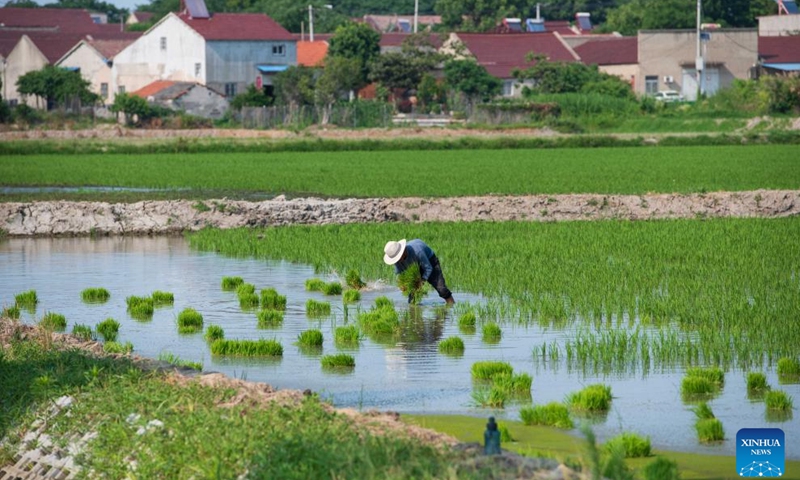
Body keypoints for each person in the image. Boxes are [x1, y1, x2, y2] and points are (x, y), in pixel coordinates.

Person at [383, 238, 455, 305]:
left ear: (403, 251)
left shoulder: (418, 251)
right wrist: (402, 284)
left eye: (398, 258)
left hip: (430, 261)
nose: (397, 261)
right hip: (413, 267)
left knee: (442, 289)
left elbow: (428, 268)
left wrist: (422, 281)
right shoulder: (397, 261)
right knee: (412, 298)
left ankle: (451, 306)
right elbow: (400, 274)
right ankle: (414, 316)